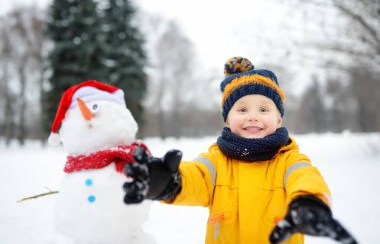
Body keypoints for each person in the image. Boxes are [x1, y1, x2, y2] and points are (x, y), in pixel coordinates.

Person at [123, 57, 358, 244]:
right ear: (227, 120)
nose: (253, 116)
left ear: (278, 120)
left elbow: (306, 178)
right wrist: (169, 182)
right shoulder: (216, 160)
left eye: (264, 110)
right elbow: (197, 176)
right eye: (242, 109)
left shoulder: (289, 160)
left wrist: (309, 202)